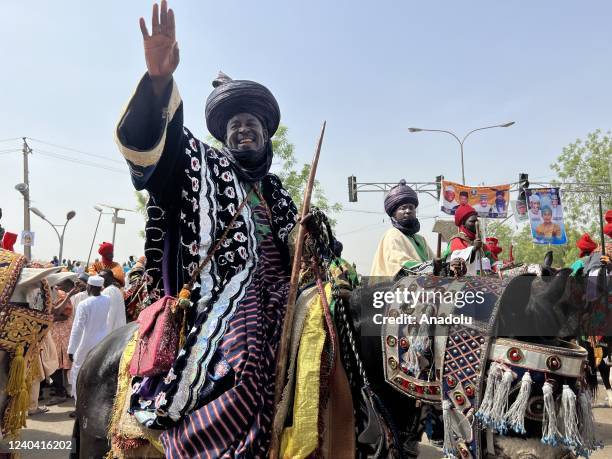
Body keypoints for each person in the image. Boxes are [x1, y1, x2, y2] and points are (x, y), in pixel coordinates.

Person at [112, 1, 317, 455]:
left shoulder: (279, 190)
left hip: (284, 289)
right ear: (224, 134)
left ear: (266, 134)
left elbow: (303, 244)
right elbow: (148, 158)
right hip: (222, 293)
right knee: (242, 353)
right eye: (236, 124)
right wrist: (159, 81)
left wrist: (308, 235)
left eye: (253, 124)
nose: (245, 130)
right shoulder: (198, 164)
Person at [370, 180, 435, 276]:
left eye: (411, 207)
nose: (408, 211)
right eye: (403, 208)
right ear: (394, 213)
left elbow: (433, 263)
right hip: (390, 289)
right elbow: (400, 262)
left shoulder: (420, 239)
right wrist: (426, 268)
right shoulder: (393, 234)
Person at [67, 275, 111, 403]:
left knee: (77, 370)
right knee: (97, 371)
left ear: (89, 286)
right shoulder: (107, 299)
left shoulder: (84, 304)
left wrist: (71, 349)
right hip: (102, 341)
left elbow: (77, 328)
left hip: (86, 342)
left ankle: (78, 402)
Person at [443, 204, 489, 275]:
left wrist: (498, 266)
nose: (476, 224)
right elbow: (456, 262)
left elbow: (491, 261)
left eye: (477, 221)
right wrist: (474, 249)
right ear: (463, 223)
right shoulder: (456, 241)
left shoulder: (481, 243)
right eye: (472, 221)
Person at [99, 269, 127, 333]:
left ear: (108, 278)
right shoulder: (116, 289)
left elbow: (109, 315)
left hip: (111, 332)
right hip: (119, 330)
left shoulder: (108, 291)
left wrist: (105, 334)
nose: (100, 279)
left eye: (102, 277)